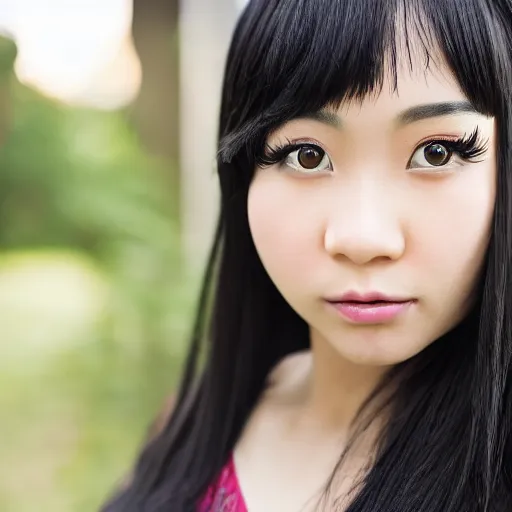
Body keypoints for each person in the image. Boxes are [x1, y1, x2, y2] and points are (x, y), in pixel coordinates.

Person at [102, 0, 512, 510]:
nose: (363, 238)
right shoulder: (194, 425)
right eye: (307, 155)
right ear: (244, 174)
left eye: (436, 152)